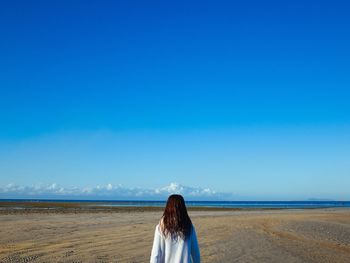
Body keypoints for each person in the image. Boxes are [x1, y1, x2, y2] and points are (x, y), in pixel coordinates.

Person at [150, 194, 200, 263]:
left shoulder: (161, 227)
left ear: (168, 207)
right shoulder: (189, 226)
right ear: (183, 208)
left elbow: (156, 254)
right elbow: (195, 252)